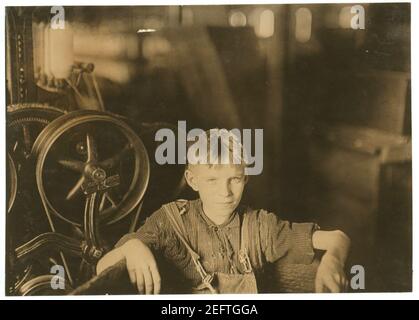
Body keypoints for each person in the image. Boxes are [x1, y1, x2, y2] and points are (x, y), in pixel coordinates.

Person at [96, 129, 351, 294]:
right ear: (192, 181)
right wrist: (132, 247)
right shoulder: (170, 221)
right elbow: (101, 269)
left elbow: (338, 237)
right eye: (212, 181)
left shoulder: (259, 227)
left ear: (246, 178)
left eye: (235, 179)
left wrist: (333, 260)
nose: (225, 192)